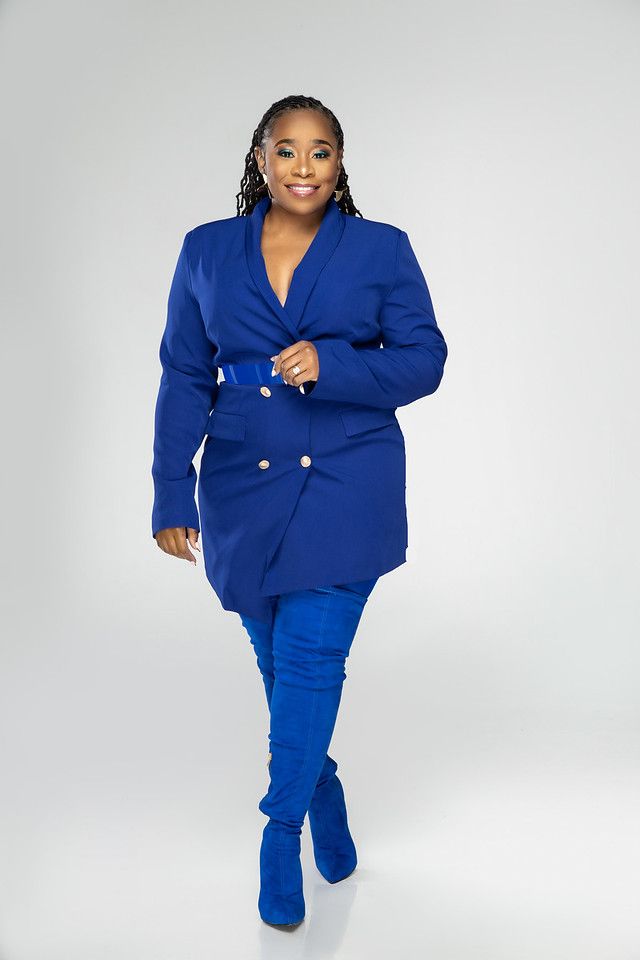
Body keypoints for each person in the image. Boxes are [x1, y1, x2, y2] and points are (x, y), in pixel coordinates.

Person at [151, 94, 448, 928]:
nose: (304, 167)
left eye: (321, 151)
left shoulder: (382, 248)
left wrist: (335, 364)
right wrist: (170, 488)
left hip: (347, 482)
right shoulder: (206, 249)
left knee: (311, 664)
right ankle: (325, 795)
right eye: (287, 150)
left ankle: (279, 833)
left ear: (340, 163)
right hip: (240, 486)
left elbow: (426, 358)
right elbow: (184, 373)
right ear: (260, 158)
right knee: (280, 672)